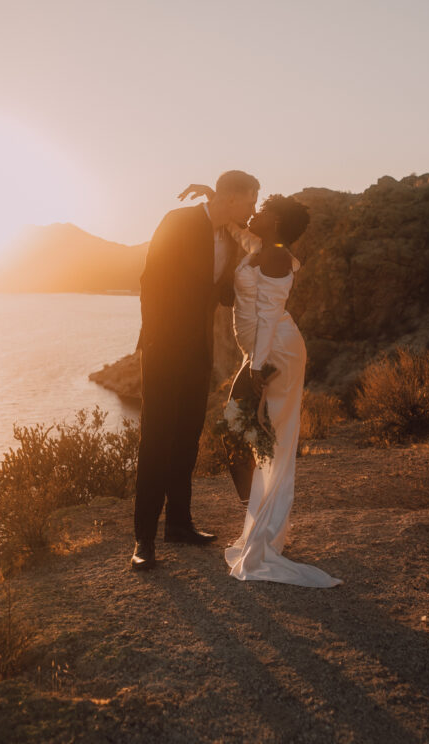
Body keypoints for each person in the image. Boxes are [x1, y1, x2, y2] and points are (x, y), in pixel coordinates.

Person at [181, 186, 343, 588]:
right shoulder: (263, 244)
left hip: (274, 352)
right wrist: (215, 197)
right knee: (257, 436)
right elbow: (236, 231)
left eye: (263, 209)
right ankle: (259, 519)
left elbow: (270, 315)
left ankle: (261, 524)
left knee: (241, 429)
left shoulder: (275, 254)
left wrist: (256, 365)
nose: (255, 212)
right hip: (262, 351)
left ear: (277, 223)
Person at [131, 170, 260, 571]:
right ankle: (143, 540)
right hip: (163, 349)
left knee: (187, 439)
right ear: (234, 198)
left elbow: (219, 292)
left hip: (198, 352)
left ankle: (180, 524)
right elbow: (149, 281)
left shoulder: (232, 236)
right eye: (251, 201)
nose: (254, 209)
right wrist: (154, 341)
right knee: (156, 441)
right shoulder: (178, 222)